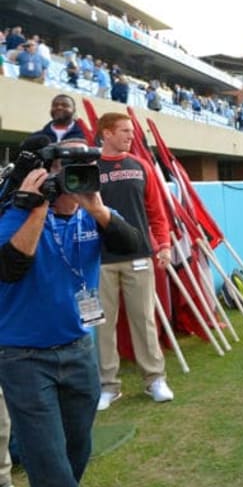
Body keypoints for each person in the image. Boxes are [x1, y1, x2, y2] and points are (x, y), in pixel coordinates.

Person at [0, 138, 140, 487]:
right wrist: (37, 209)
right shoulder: (14, 213)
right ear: (47, 172)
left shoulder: (92, 214)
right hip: (23, 357)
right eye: (68, 171)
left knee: (76, 447)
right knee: (46, 456)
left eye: (86, 171)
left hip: (78, 350)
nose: (77, 179)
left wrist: (96, 208)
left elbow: (131, 244)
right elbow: (10, 268)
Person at [95, 113, 174, 411]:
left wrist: (163, 244)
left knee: (144, 320)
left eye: (132, 131)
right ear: (107, 133)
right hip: (100, 258)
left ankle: (155, 379)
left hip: (139, 254)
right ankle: (108, 386)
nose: (131, 136)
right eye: (125, 131)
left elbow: (156, 211)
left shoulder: (141, 166)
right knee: (103, 324)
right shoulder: (90, 167)